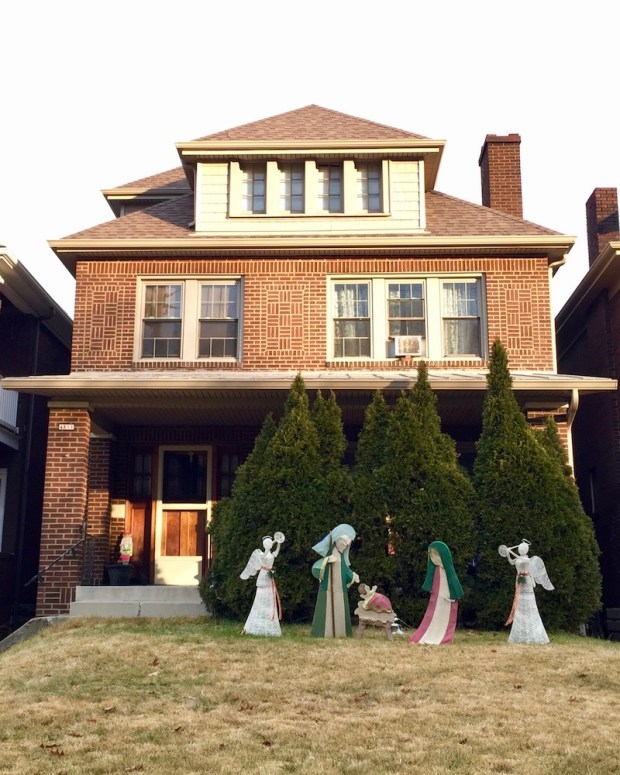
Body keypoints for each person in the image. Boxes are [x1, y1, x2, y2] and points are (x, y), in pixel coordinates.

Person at [499, 539, 554, 644]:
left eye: (523, 549)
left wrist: (511, 552)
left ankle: (533, 633)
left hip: (526, 581)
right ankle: (520, 634)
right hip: (519, 580)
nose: (521, 550)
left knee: (529, 603)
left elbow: (522, 560)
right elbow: (512, 562)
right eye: (520, 548)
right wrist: (508, 554)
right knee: (519, 603)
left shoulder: (527, 559)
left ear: (526, 550)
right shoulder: (519, 558)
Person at [409, 540, 463, 645]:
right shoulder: (435, 571)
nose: (433, 558)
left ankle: (444, 635)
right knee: (433, 615)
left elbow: (453, 583)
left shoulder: (448, 572)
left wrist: (453, 594)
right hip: (437, 598)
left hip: (447, 599)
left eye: (436, 554)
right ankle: (431, 632)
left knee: (445, 617)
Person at [310, 524, 359, 637]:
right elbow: (315, 568)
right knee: (327, 608)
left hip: (340, 590)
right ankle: (326, 632)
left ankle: (340, 632)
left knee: (340, 608)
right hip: (328, 590)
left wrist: (353, 575)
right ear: (337, 541)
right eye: (343, 543)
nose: (345, 546)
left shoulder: (341, 557)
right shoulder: (330, 553)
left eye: (347, 545)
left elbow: (345, 570)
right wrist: (326, 561)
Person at [240, 533, 284, 636]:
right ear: (265, 545)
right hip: (264, 574)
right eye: (267, 543)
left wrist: (278, 542)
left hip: (269, 575)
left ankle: (270, 622)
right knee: (261, 594)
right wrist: (270, 545)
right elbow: (264, 556)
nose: (269, 544)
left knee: (270, 595)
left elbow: (276, 552)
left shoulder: (271, 554)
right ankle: (257, 624)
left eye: (269, 543)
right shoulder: (261, 554)